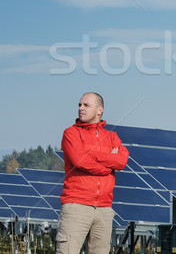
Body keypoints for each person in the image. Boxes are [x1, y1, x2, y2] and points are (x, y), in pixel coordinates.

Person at [57, 92, 129, 254]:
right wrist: (107, 165)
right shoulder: (71, 133)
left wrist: (92, 154)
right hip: (76, 205)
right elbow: (80, 161)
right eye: (79, 105)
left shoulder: (112, 137)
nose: (80, 108)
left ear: (99, 110)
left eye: (86, 105)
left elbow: (121, 161)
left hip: (104, 208)